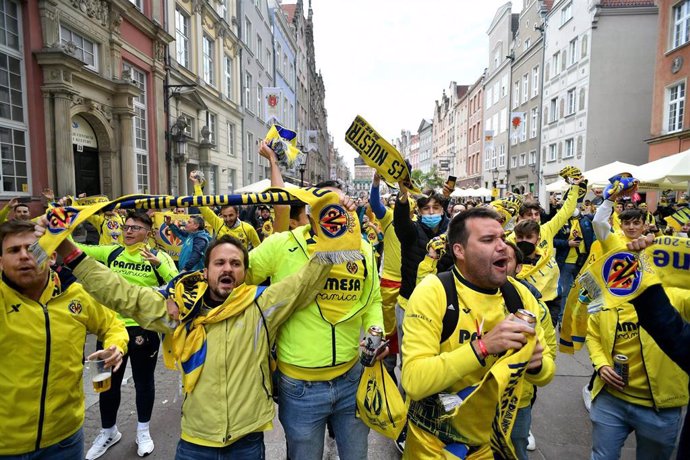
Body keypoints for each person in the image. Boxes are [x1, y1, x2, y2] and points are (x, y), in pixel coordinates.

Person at [38, 225, 335, 460]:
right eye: (219, 262)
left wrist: (334, 229)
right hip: (196, 442)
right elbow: (122, 294)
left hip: (247, 440)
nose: (227, 268)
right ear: (206, 272)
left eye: (235, 263)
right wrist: (67, 249)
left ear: (245, 274)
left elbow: (303, 283)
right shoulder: (180, 309)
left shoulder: (260, 305)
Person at [401, 207, 555, 458]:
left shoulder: (520, 295)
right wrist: (483, 347)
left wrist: (536, 366)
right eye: (487, 240)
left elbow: (547, 371)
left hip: (490, 443)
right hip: (433, 444)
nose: (503, 246)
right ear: (459, 251)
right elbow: (415, 381)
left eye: (503, 238)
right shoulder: (434, 291)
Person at [245, 181, 383, 460]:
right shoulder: (282, 245)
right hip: (299, 389)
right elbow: (238, 278)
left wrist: (374, 334)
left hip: (352, 379)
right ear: (309, 212)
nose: (336, 210)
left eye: (342, 203)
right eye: (326, 204)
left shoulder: (362, 249)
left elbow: (372, 301)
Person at [0, 220, 127, 459]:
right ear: (1, 261)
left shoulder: (76, 295)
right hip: (7, 445)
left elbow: (113, 324)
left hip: (65, 439)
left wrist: (115, 346)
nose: (24, 256)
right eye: (14, 250)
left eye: (33, 248)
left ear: (51, 257)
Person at [78, 211, 178, 459]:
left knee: (144, 382)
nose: (129, 231)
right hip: (111, 328)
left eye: (135, 227)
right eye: (127, 227)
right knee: (106, 383)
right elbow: (79, 251)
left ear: (148, 233)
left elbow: (179, 283)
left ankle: (143, 430)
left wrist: (160, 266)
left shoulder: (160, 256)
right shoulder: (111, 252)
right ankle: (108, 431)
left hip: (145, 328)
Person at [625, 234, 690, 458]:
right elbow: (674, 332)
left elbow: (673, 331)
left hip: (665, 401)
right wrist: (641, 275)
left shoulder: (681, 296)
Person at [191, 173, 261, 250]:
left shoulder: (248, 228)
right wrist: (197, 185)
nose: (228, 219)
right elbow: (202, 207)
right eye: (225, 216)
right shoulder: (218, 223)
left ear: (237, 214)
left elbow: (259, 248)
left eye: (231, 215)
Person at [553, 207, 594, 325]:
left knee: (583, 292)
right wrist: (567, 243)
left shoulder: (585, 220)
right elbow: (552, 240)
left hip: (582, 262)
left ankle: (580, 319)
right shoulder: (560, 222)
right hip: (566, 263)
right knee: (563, 292)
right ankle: (562, 320)